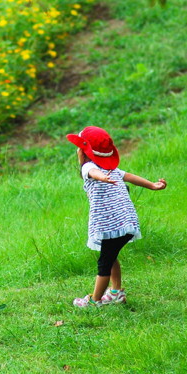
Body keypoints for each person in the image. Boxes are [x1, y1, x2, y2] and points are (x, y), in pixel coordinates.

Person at [66, 126, 166, 308]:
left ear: (82, 151)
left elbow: (93, 172)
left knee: (104, 263)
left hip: (112, 225)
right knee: (110, 256)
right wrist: (151, 185)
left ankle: (95, 301)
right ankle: (115, 292)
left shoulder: (90, 166)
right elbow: (129, 176)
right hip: (126, 223)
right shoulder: (110, 170)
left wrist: (101, 177)